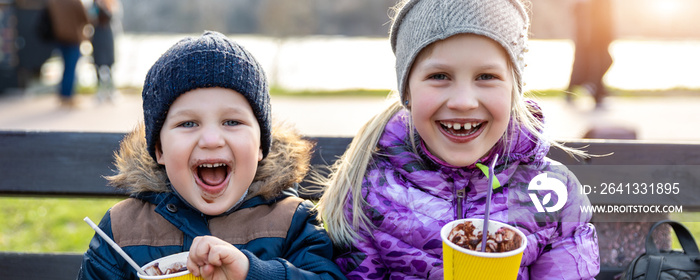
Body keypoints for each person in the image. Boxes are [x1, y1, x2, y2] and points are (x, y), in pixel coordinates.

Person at [315, 0, 600, 279]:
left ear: (514, 90)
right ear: (407, 92)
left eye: (486, 76)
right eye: (439, 76)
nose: (463, 102)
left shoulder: (552, 195)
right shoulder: (370, 190)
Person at [77, 31, 346, 280]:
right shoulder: (123, 228)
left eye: (231, 122)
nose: (211, 140)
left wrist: (253, 273)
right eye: (188, 124)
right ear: (159, 149)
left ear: (262, 146)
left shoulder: (292, 222)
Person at [566, 0, 614, 108]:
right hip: (591, 28)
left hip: (598, 27)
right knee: (590, 60)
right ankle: (592, 87)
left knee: (600, 60)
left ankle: (594, 87)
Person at [46, 0, 89, 107]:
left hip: (60, 37)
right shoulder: (75, 2)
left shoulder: (55, 2)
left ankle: (63, 94)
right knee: (71, 67)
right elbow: (85, 18)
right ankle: (68, 96)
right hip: (73, 38)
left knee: (65, 66)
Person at [89, 0, 120, 103]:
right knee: (97, 63)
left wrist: (104, 6)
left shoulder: (111, 4)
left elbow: (113, 17)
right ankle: (99, 90)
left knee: (110, 63)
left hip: (107, 36)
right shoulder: (93, 5)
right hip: (98, 36)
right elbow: (90, 18)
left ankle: (111, 90)